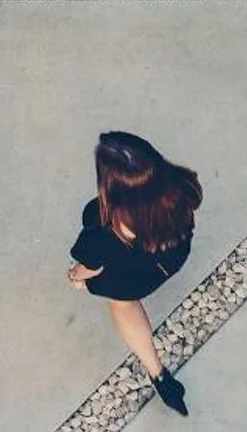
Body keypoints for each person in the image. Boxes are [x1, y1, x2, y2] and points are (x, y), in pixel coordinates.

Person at [67, 130, 202, 416]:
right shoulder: (181, 185)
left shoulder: (105, 228)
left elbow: (91, 266)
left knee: (121, 301)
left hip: (134, 278)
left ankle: (157, 372)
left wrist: (76, 277)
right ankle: (161, 380)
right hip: (172, 255)